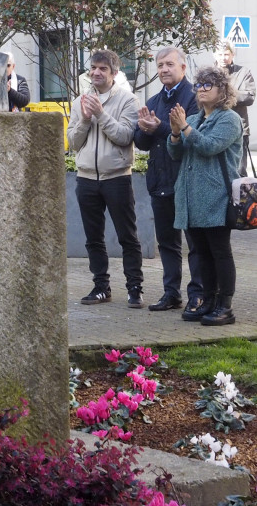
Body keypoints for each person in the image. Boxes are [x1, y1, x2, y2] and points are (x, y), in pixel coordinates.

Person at [66, 49, 143, 308]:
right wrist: (86, 119)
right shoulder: (79, 102)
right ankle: (101, 287)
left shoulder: (128, 101)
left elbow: (124, 136)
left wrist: (100, 113)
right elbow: (74, 143)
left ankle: (134, 287)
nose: (97, 72)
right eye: (94, 68)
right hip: (86, 179)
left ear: (114, 74)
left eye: (103, 69)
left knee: (127, 236)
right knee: (93, 238)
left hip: (117, 177)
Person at [168, 65, 244, 326]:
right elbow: (176, 154)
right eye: (198, 85)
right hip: (191, 198)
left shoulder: (229, 119)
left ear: (222, 89)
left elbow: (209, 146)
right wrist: (175, 133)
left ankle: (225, 306)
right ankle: (208, 301)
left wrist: (185, 128)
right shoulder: (197, 117)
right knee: (201, 252)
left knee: (220, 251)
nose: (200, 90)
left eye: (207, 85)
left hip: (217, 196)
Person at [133, 47, 202, 313]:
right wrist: (141, 128)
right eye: (160, 65)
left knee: (194, 243)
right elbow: (141, 143)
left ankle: (197, 294)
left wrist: (159, 127)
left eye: (169, 64)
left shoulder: (194, 98)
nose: (163, 69)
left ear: (183, 67)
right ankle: (171, 293)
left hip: (187, 182)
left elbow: (190, 137)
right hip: (159, 182)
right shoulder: (152, 101)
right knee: (167, 243)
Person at [221, 43, 255, 176]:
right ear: (214, 55)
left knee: (239, 171)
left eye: (226, 54)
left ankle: (240, 197)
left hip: (240, 129)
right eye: (220, 54)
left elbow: (250, 96)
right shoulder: (209, 73)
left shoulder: (243, 72)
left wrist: (227, 95)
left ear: (232, 55)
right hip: (214, 128)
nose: (223, 58)